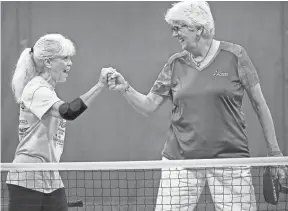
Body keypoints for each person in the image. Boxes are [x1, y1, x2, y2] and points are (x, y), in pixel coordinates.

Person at [106, 1, 286, 211]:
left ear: (199, 28)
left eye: (179, 27)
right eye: (173, 28)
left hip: (230, 161)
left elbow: (259, 104)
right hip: (180, 163)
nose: (174, 34)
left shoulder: (235, 56)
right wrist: (125, 88)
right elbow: (149, 105)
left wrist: (274, 152)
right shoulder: (175, 63)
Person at [6, 33, 113, 211]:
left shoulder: (48, 90)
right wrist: (100, 85)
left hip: (51, 176)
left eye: (70, 58)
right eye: (64, 58)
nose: (70, 63)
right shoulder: (36, 88)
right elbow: (69, 111)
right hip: (28, 177)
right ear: (48, 62)